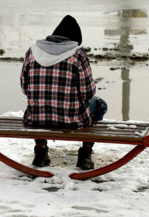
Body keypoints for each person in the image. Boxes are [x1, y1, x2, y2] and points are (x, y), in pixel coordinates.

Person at [20, 15, 107, 170]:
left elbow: (24, 88)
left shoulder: (31, 52)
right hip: (72, 120)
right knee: (100, 104)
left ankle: (40, 150)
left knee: (41, 105)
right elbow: (88, 93)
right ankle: (86, 153)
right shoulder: (78, 55)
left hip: (36, 119)